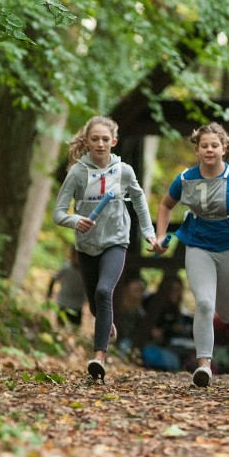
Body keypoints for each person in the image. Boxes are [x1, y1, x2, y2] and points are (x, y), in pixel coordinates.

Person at [154, 122, 229, 388]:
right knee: (204, 303)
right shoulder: (186, 179)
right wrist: (160, 236)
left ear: (223, 149)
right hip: (198, 246)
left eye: (214, 145)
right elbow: (165, 205)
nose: (209, 150)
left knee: (225, 314)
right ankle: (204, 365)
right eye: (204, 145)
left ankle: (219, 321)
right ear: (197, 149)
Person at [53, 115, 158, 382]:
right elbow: (58, 213)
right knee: (96, 306)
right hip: (86, 247)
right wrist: (77, 220)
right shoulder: (77, 172)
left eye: (104, 139)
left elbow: (139, 201)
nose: (100, 144)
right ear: (87, 142)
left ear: (114, 141)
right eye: (94, 139)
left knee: (104, 291)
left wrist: (148, 232)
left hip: (115, 241)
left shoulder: (124, 171)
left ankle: (98, 357)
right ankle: (104, 322)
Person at [47, 245, 87, 327]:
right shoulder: (65, 268)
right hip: (63, 302)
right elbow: (54, 278)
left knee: (75, 326)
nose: (76, 258)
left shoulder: (85, 271)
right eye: (74, 255)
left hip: (77, 305)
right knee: (61, 325)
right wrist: (49, 293)